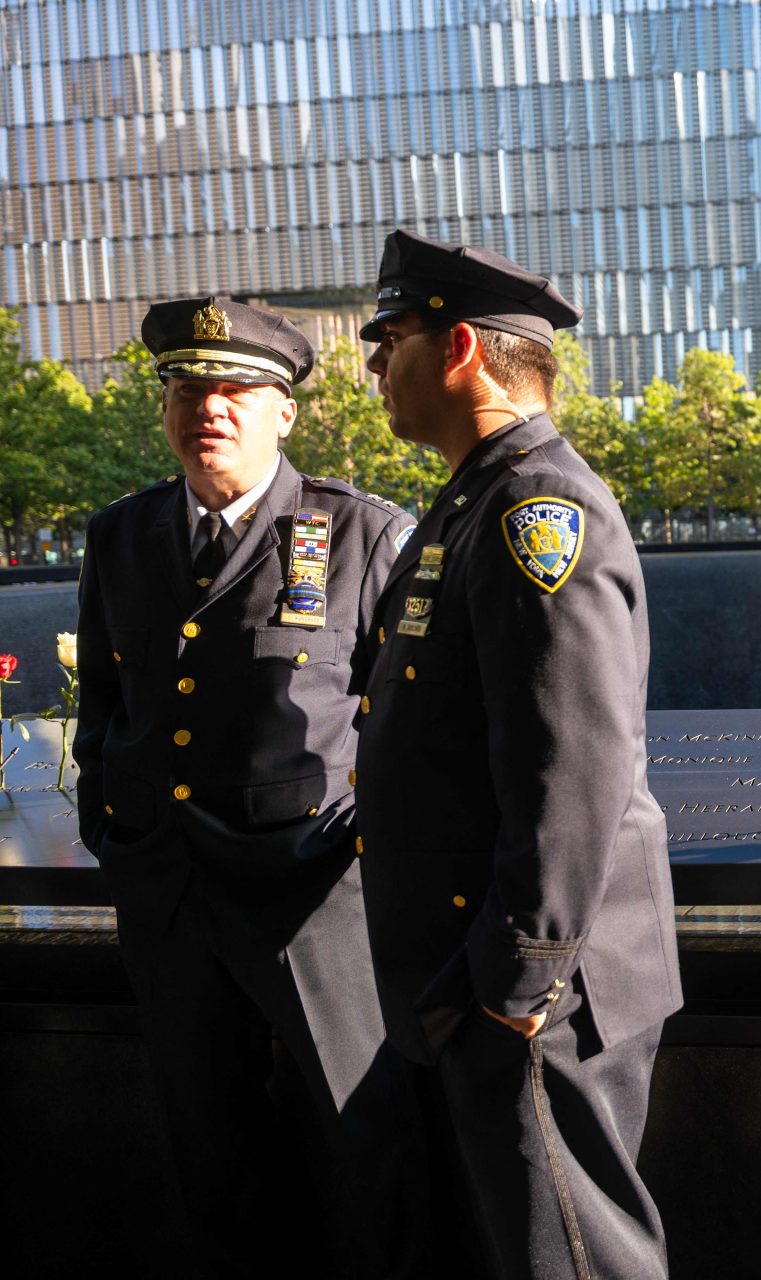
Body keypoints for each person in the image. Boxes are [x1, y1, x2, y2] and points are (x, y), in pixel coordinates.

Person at [354, 229, 683, 1279]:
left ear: (457, 349)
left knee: (576, 1260)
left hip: (538, 991)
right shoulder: (473, 500)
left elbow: (573, 764)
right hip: (489, 978)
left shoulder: (538, 510)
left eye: (388, 337)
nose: (373, 365)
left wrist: (514, 981)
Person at [72, 297, 425, 1277]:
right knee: (210, 1157)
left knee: (364, 1145)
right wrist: (114, 822)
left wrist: (364, 844)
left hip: (309, 897)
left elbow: (413, 728)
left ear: (286, 413)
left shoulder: (360, 536)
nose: (208, 408)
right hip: (171, 899)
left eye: (235, 388)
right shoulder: (124, 536)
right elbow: (105, 698)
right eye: (188, 387)